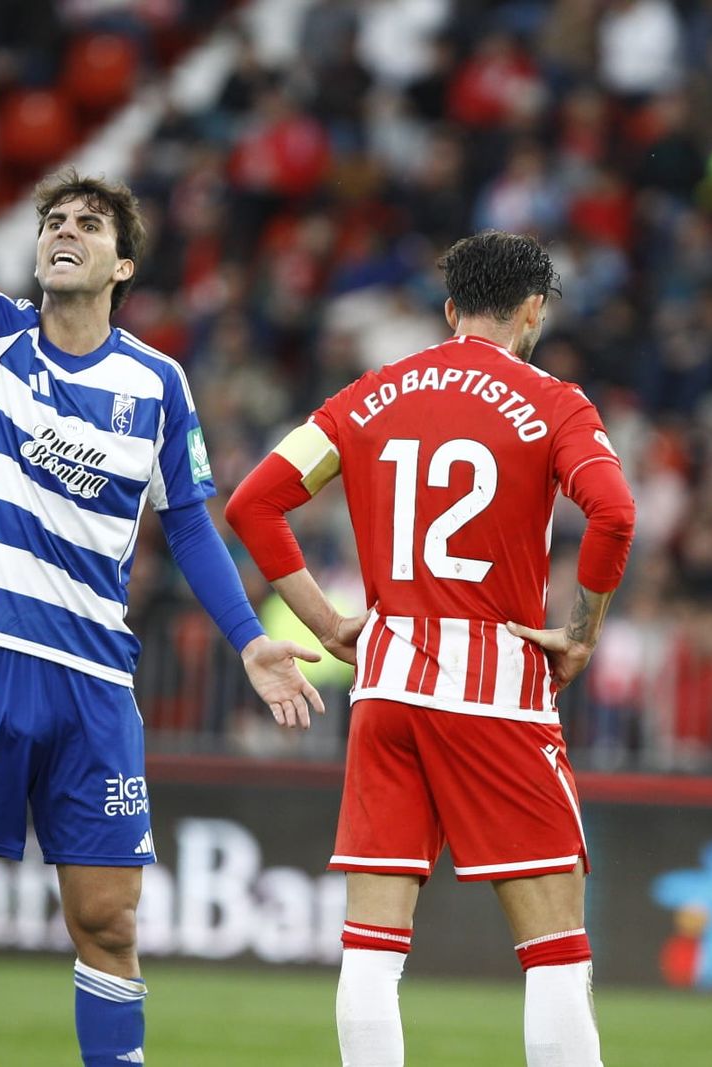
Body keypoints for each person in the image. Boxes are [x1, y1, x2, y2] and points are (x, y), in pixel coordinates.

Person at [0, 7, 324, 1065]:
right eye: (52, 222)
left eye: (86, 223)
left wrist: (248, 639)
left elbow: (191, 526)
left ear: (123, 263)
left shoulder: (159, 382)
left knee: (110, 920)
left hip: (93, 679)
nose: (62, 232)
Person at [226, 230, 636, 1066]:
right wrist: (584, 633)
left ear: (450, 309)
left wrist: (324, 620)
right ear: (532, 310)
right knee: (555, 946)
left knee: (372, 946)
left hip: (387, 685)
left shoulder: (369, 395)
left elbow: (253, 502)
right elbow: (616, 513)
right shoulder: (556, 402)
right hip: (496, 689)